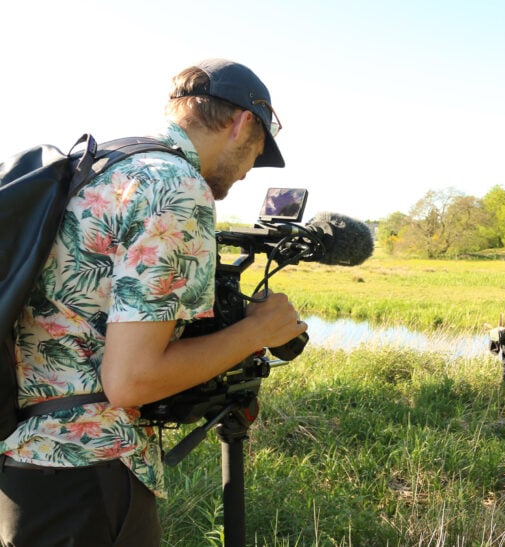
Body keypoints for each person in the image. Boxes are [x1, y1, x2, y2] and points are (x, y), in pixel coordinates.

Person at [0, 58, 308, 546]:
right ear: (242, 123)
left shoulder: (104, 167)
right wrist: (257, 332)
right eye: (257, 153)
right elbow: (131, 380)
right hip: (90, 473)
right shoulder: (174, 185)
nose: (250, 172)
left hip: (28, 461)